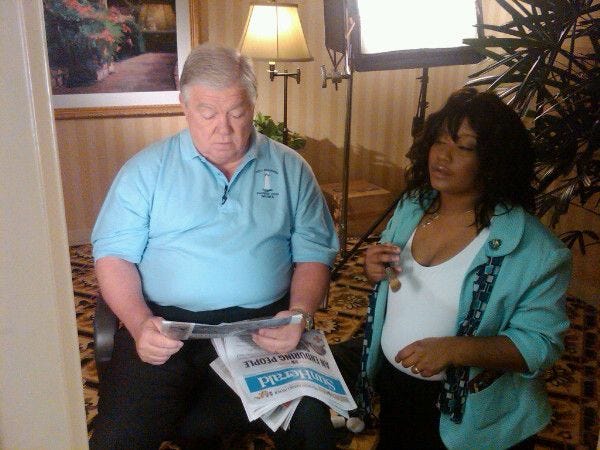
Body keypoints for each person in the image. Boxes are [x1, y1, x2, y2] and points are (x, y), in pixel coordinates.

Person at [89, 43, 339, 450]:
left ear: (253, 106)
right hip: (167, 326)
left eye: (236, 113)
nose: (223, 129)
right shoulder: (145, 171)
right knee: (117, 439)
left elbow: (313, 255)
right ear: (184, 107)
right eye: (207, 113)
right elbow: (114, 257)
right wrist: (137, 323)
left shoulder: (291, 168)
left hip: (264, 326)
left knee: (313, 430)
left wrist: (299, 314)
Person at [361, 88, 571, 450]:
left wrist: (456, 349)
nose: (442, 156)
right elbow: (393, 284)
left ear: (494, 160)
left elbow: (540, 345)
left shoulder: (536, 250)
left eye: (464, 147)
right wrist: (374, 267)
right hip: (398, 390)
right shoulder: (413, 206)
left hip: (476, 412)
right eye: (439, 141)